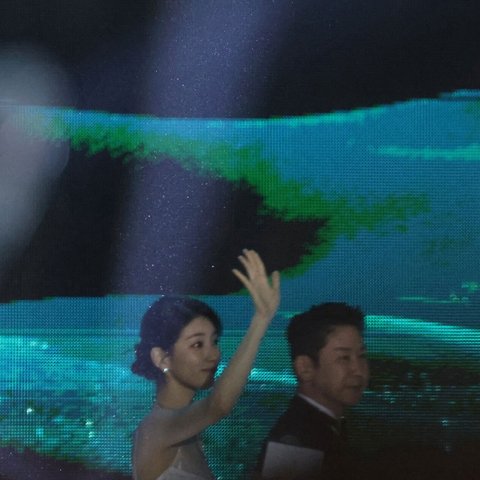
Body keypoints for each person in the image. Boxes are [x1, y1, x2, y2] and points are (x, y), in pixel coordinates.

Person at [131, 249, 280, 480]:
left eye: (214, 341)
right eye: (197, 344)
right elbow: (218, 405)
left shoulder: (186, 429)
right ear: (162, 358)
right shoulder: (156, 428)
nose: (214, 355)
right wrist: (260, 320)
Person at [256, 303, 369, 480]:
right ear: (305, 368)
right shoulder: (294, 443)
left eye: (362, 356)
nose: (358, 369)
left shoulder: (328, 428)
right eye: (344, 358)